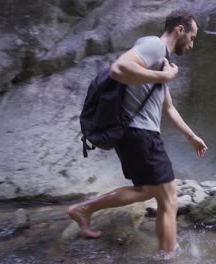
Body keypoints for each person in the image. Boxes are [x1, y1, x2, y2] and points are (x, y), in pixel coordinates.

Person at [68, 9, 207, 254]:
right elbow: (119, 69)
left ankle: (84, 210)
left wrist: (191, 136)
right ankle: (168, 258)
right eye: (192, 37)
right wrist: (163, 76)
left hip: (136, 134)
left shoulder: (163, 60)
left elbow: (169, 108)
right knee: (169, 198)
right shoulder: (154, 45)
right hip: (140, 133)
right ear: (180, 29)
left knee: (145, 192)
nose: (192, 44)